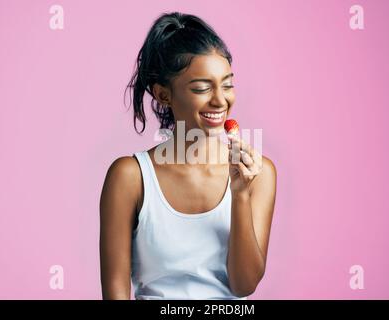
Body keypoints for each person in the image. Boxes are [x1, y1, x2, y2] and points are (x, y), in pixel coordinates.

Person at [99, 11, 277, 300]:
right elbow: (115, 294)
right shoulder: (129, 176)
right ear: (163, 95)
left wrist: (240, 195)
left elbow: (244, 286)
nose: (220, 100)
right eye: (201, 88)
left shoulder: (259, 173)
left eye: (227, 84)